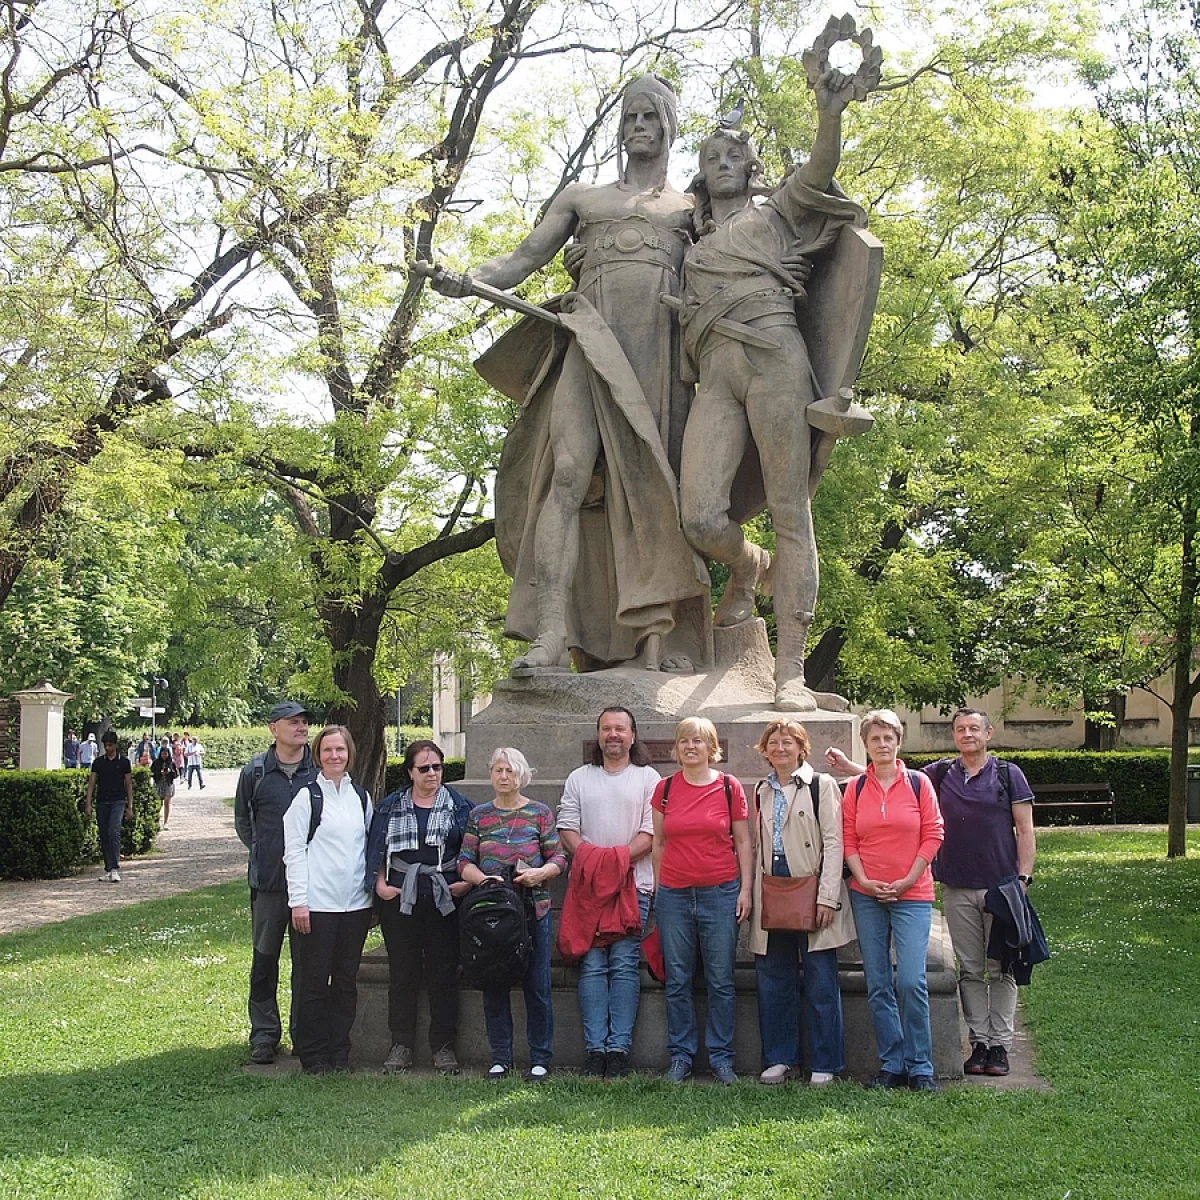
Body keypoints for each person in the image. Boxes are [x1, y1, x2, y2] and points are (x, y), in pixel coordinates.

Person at [431, 75, 708, 675]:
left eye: (650, 118)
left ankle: (658, 642)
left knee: (656, 487)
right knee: (567, 474)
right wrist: (469, 278)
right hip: (588, 345)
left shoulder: (690, 208)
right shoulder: (583, 197)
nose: (639, 127)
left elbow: (725, 267)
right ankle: (551, 631)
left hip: (658, 358)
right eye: (630, 117)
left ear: (668, 127)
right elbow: (523, 257)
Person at [676, 61, 876, 711]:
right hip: (715, 374)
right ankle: (747, 564)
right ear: (702, 172)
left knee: (792, 508)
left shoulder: (777, 212)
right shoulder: (689, 243)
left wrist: (830, 112)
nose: (724, 161)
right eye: (712, 155)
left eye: (735, 153)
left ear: (750, 165)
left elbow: (819, 170)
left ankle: (791, 668)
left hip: (774, 357)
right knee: (700, 516)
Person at [827, 707, 1036, 1078]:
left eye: (974, 728)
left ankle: (988, 1047)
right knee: (967, 969)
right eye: (960, 729)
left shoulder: (1004, 774)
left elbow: (1022, 830)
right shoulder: (940, 773)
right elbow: (861, 816)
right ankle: (946, 1051)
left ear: (988, 734)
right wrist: (850, 768)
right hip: (939, 887)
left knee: (992, 968)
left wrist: (1023, 878)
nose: (967, 734)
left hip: (994, 887)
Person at [838, 709, 944, 1091]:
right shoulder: (855, 788)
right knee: (878, 982)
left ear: (898, 742)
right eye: (875, 739)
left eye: (889, 738)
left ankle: (921, 1066)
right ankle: (892, 1063)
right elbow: (848, 838)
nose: (882, 745)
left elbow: (933, 834)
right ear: (865, 745)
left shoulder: (919, 784)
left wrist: (906, 880)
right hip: (866, 896)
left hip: (912, 894)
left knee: (912, 980)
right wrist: (864, 879)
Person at [749, 718, 855, 1085]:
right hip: (773, 891)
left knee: (820, 980)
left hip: (811, 890)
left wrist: (827, 896)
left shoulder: (820, 786)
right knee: (773, 978)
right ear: (765, 749)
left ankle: (825, 1062)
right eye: (773, 742)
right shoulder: (761, 789)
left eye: (787, 742)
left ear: (801, 748)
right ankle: (780, 1057)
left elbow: (834, 842)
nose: (780, 748)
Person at [557, 706, 658, 1078]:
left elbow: (650, 834)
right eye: (606, 729)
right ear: (598, 736)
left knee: (624, 964)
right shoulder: (579, 778)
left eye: (620, 729)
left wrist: (612, 863)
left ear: (633, 736)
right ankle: (594, 1048)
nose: (613, 735)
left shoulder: (648, 779)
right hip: (588, 891)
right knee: (593, 965)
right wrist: (593, 862)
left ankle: (619, 1049)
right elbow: (567, 827)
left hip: (635, 887)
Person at [651, 716, 753, 1084]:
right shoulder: (664, 789)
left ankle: (722, 1058)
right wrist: (662, 888)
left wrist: (745, 889)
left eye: (698, 741)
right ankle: (681, 1056)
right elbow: (659, 843)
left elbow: (743, 841)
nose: (690, 747)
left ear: (712, 748)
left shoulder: (729, 787)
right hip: (674, 896)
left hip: (720, 892)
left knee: (721, 980)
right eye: (684, 741)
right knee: (677, 979)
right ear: (676, 749)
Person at [366, 739, 474, 1076]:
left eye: (437, 767)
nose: (432, 773)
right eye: (424, 768)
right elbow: (375, 848)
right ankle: (401, 1044)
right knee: (402, 972)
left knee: (443, 972)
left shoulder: (460, 806)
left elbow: (473, 848)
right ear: (410, 772)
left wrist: (468, 882)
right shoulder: (390, 806)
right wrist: (380, 884)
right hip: (401, 898)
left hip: (444, 897)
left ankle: (443, 1047)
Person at [458, 747, 566, 1081]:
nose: (503, 777)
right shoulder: (479, 815)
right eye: (498, 770)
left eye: (510, 771)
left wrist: (539, 874)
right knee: (494, 981)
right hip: (493, 913)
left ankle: (540, 1058)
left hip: (534, 909)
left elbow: (559, 859)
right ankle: (500, 1057)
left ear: (522, 774)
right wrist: (483, 879)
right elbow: (464, 862)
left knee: (537, 984)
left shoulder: (540, 813)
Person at [283, 724, 373, 1075]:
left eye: (341, 750)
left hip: (355, 907)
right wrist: (299, 902)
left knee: (346, 983)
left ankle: (340, 1053)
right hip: (317, 907)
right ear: (318, 755)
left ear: (350, 753)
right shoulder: (307, 797)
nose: (335, 756)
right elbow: (293, 852)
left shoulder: (361, 798)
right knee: (314, 983)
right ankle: (314, 1055)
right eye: (327, 750)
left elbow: (369, 849)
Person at [232, 702, 319, 1065]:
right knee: (264, 961)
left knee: (308, 963)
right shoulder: (255, 772)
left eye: (304, 722)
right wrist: (267, 852)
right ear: (273, 728)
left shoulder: (319, 771)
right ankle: (264, 1035)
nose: (301, 728)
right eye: (293, 722)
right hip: (268, 885)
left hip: (311, 886)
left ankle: (305, 1034)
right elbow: (244, 822)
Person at [83, 730, 133, 882]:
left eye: (110, 745)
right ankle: (108, 867)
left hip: (118, 800)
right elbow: (92, 783)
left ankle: (115, 867)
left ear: (115, 745)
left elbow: (128, 785)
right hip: (102, 801)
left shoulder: (124, 762)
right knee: (104, 834)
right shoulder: (98, 763)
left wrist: (130, 806)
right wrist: (88, 803)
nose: (108, 748)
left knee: (114, 831)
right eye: (106, 745)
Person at [151, 745, 178, 829]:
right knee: (158, 803)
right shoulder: (156, 762)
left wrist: (169, 772)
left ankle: (166, 822)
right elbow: (151, 772)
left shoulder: (171, 762)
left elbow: (176, 774)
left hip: (168, 784)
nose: (164, 756)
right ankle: (156, 821)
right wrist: (159, 772)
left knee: (167, 802)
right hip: (158, 783)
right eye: (163, 754)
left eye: (166, 754)